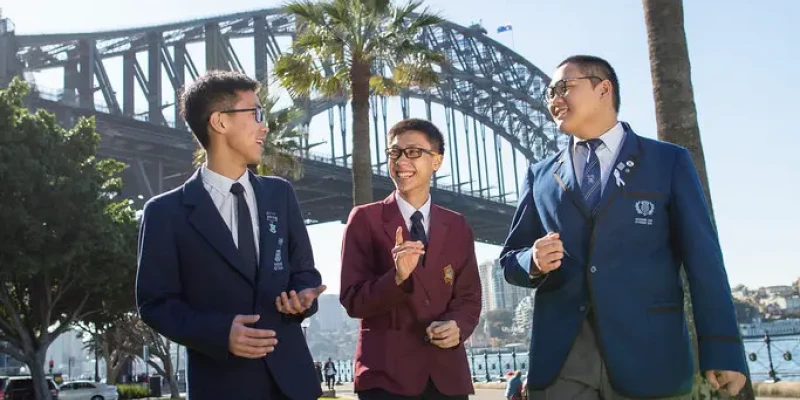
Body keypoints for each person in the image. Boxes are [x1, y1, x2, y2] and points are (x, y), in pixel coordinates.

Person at [499, 55, 747, 400]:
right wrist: (533, 261)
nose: (554, 99)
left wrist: (723, 351)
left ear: (604, 89)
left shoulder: (668, 161)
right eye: (549, 93)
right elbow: (510, 260)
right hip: (563, 364)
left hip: (650, 355)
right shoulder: (538, 174)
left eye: (564, 87)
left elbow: (704, 262)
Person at [135, 70, 326, 400]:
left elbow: (304, 272)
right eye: (256, 113)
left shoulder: (280, 195)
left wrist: (301, 297)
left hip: (294, 385)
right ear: (220, 122)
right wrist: (220, 334)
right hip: (222, 385)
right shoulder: (165, 213)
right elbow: (156, 304)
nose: (264, 125)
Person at [339, 118, 482, 399]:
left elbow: (469, 298)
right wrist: (397, 278)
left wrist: (458, 327)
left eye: (414, 152)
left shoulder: (458, 225)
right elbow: (353, 300)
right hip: (386, 377)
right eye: (395, 153)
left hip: (446, 377)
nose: (402, 160)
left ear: (436, 161)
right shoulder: (364, 219)